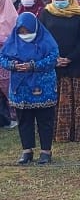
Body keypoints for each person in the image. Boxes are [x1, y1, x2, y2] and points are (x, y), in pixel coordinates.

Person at [39, 0, 80, 142]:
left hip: (78, 64)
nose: (58, 0)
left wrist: (70, 57)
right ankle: (59, 132)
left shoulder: (79, 14)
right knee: (57, 100)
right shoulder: (45, 13)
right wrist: (54, 58)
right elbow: (41, 37)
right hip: (54, 64)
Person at [0, 12, 59, 164]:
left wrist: (33, 65)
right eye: (22, 32)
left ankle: (46, 151)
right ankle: (27, 151)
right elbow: (3, 57)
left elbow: (53, 58)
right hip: (21, 89)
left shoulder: (46, 40)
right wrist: (13, 65)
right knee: (24, 120)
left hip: (42, 87)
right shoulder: (12, 41)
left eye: (28, 31)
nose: (25, 35)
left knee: (45, 120)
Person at [0, 0, 19, 128]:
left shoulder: (12, 17)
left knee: (8, 86)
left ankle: (14, 115)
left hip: (6, 58)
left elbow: (15, 37)